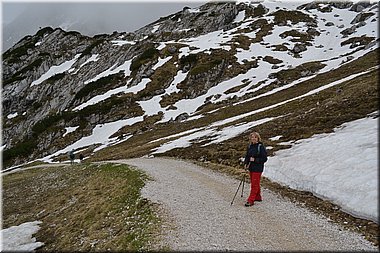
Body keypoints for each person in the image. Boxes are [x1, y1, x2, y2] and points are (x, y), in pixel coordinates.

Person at [243, 131, 268, 207]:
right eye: (252, 137)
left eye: (255, 137)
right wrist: (245, 164)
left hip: (258, 168)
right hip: (251, 168)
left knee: (254, 184)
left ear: (258, 138)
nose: (253, 138)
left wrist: (255, 160)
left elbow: (264, 158)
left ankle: (251, 200)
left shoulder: (260, 147)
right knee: (255, 183)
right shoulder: (250, 146)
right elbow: (247, 156)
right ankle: (258, 197)